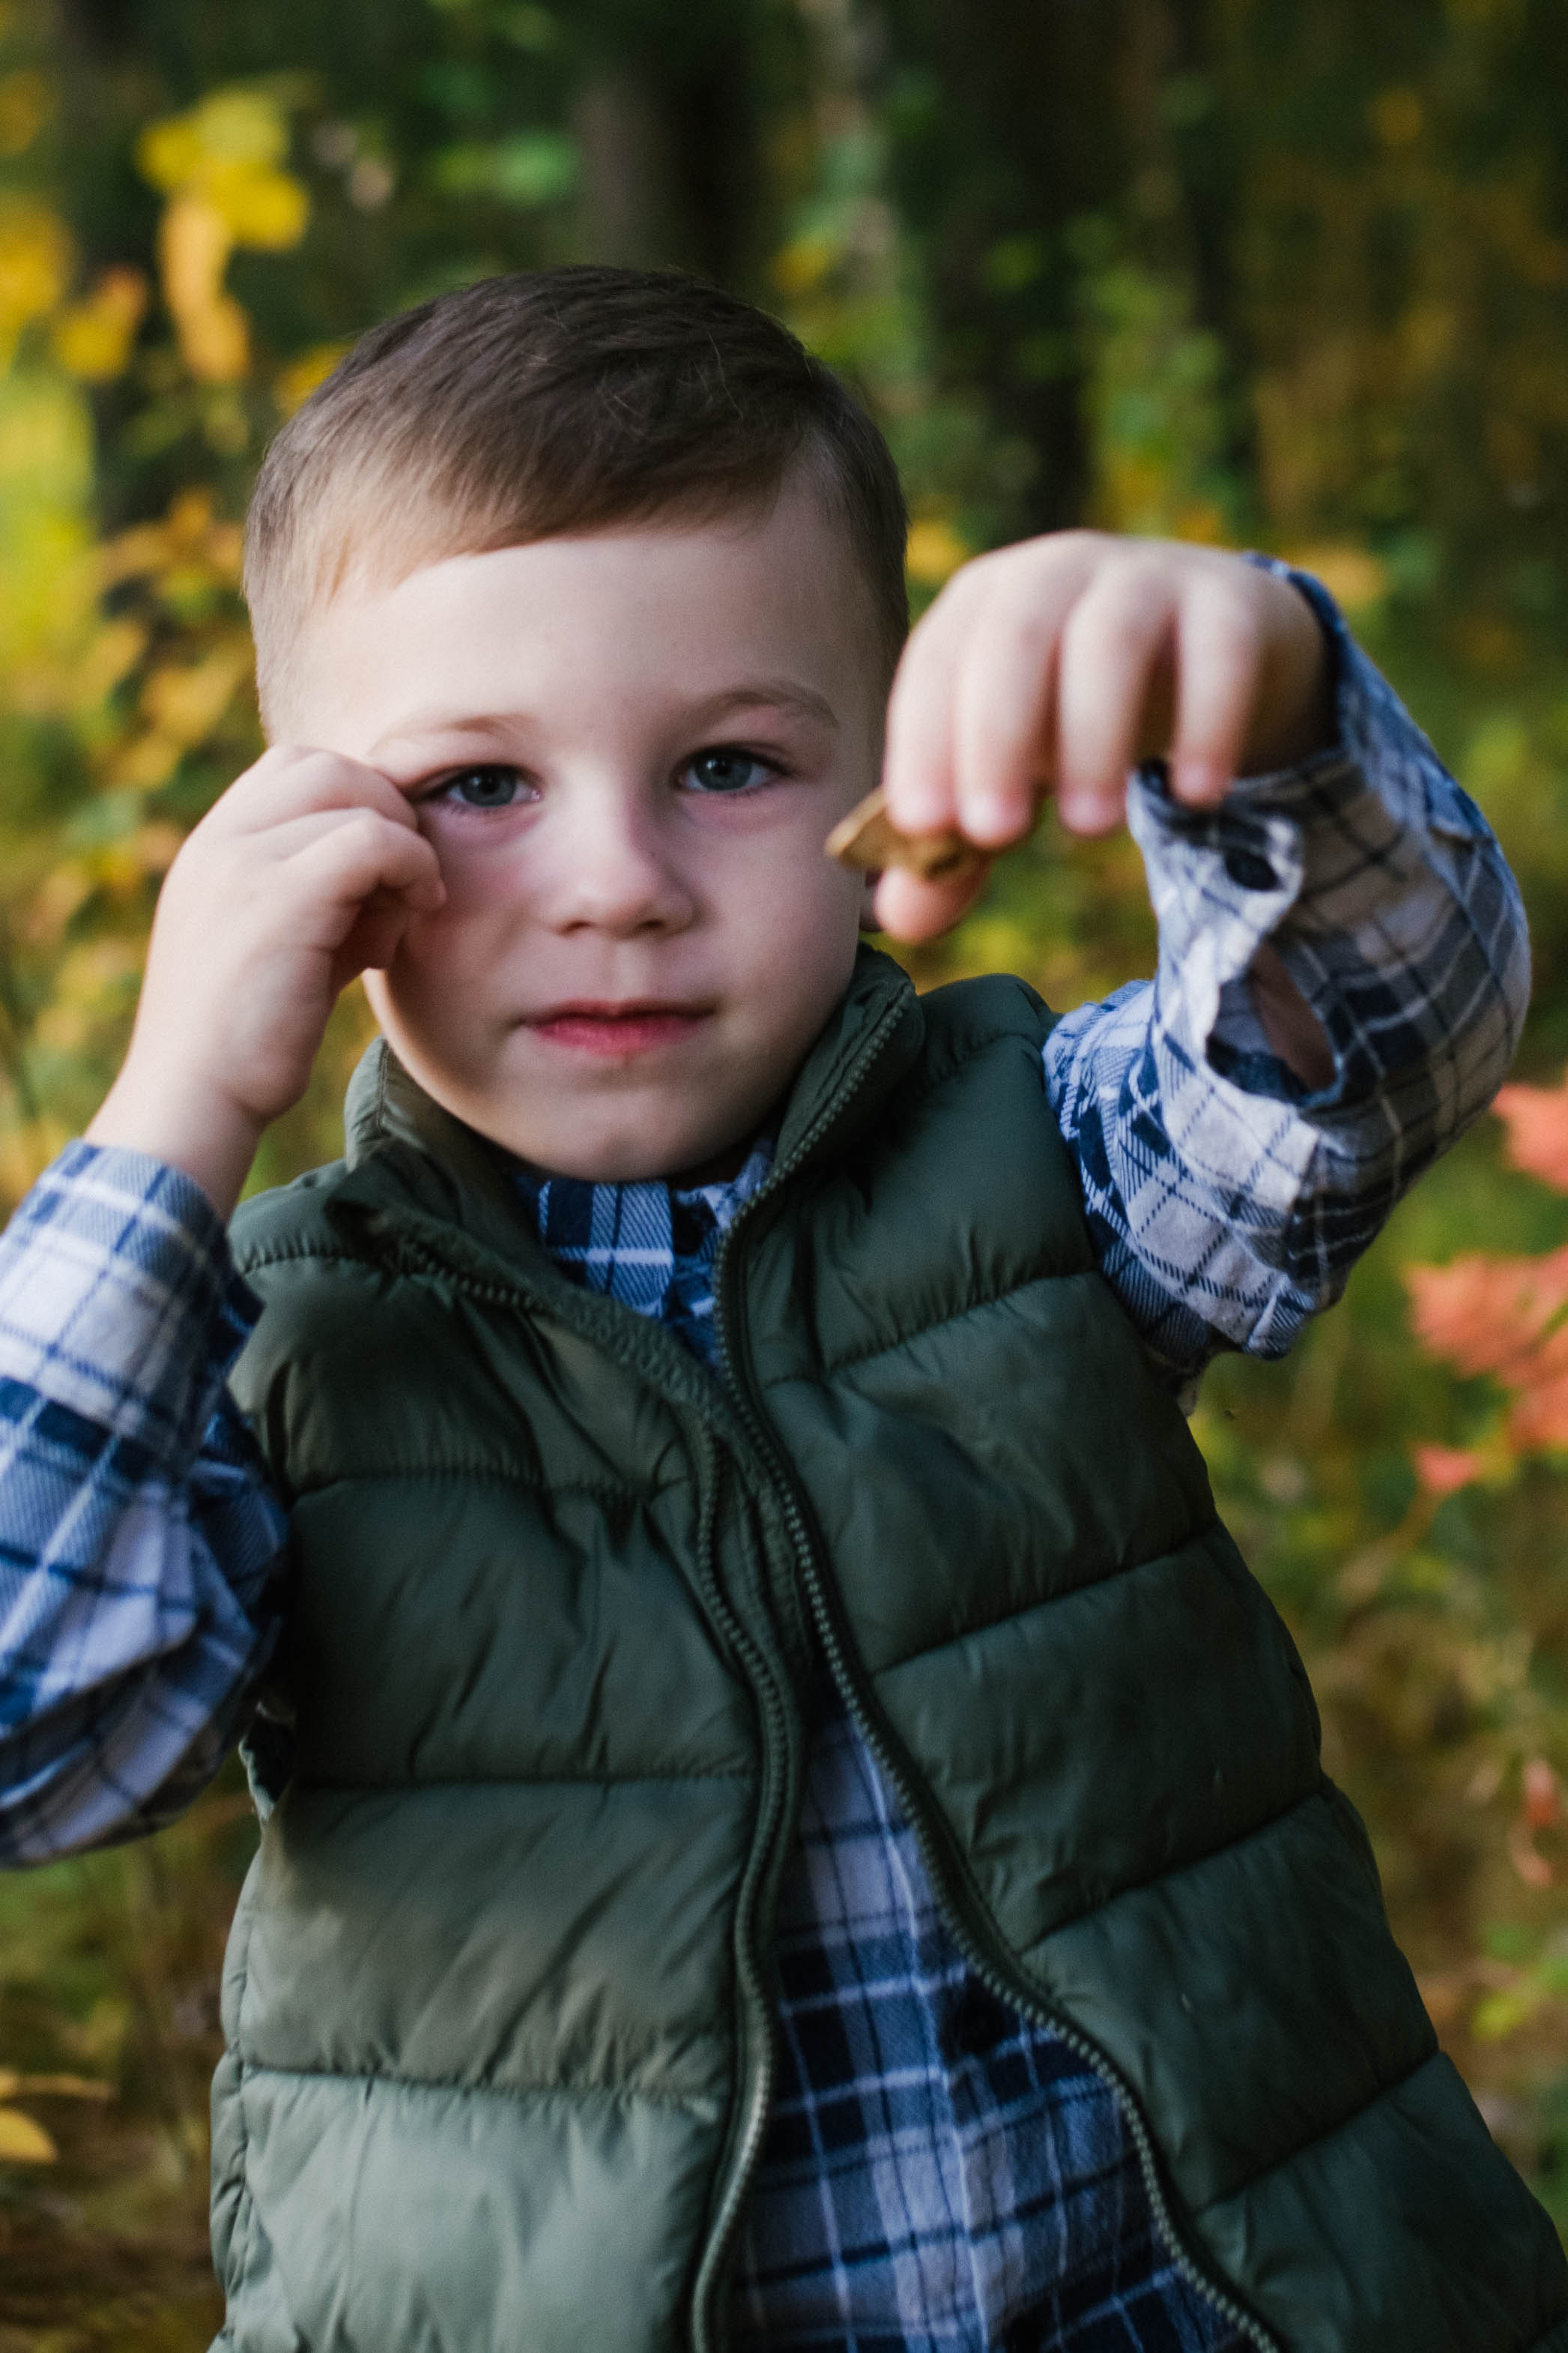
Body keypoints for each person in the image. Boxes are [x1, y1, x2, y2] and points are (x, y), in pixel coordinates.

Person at [0, 266, 1560, 2353]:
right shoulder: (283, 1344)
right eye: (481, 786)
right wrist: (175, 1099)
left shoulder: (1032, 1160)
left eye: (729, 765)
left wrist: (1263, 700)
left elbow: (1369, 1053)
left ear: (875, 794)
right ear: (308, 841)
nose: (619, 878)